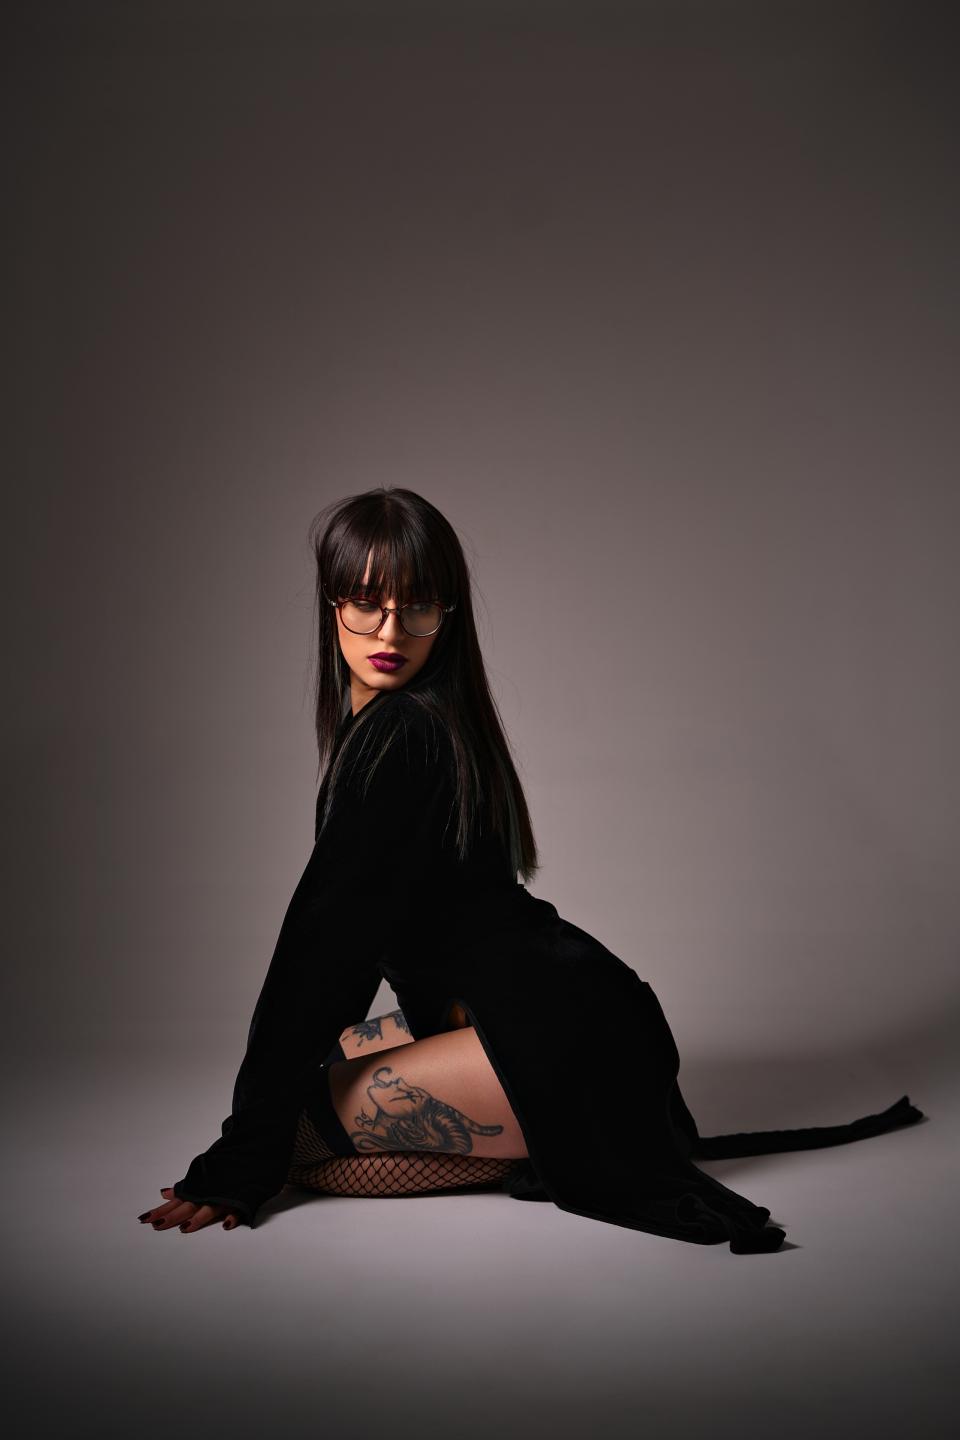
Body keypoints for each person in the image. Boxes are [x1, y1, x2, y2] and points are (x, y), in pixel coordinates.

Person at [138, 488, 924, 1253]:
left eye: (419, 606)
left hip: (559, 1031)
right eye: (366, 604)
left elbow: (324, 948)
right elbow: (345, 944)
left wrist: (244, 1155)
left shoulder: (404, 733)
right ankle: (561, 1138)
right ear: (330, 603)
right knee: (319, 1073)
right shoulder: (391, 722)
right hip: (564, 1012)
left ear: (448, 613)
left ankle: (560, 1143)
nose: (391, 630)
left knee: (297, 1131)